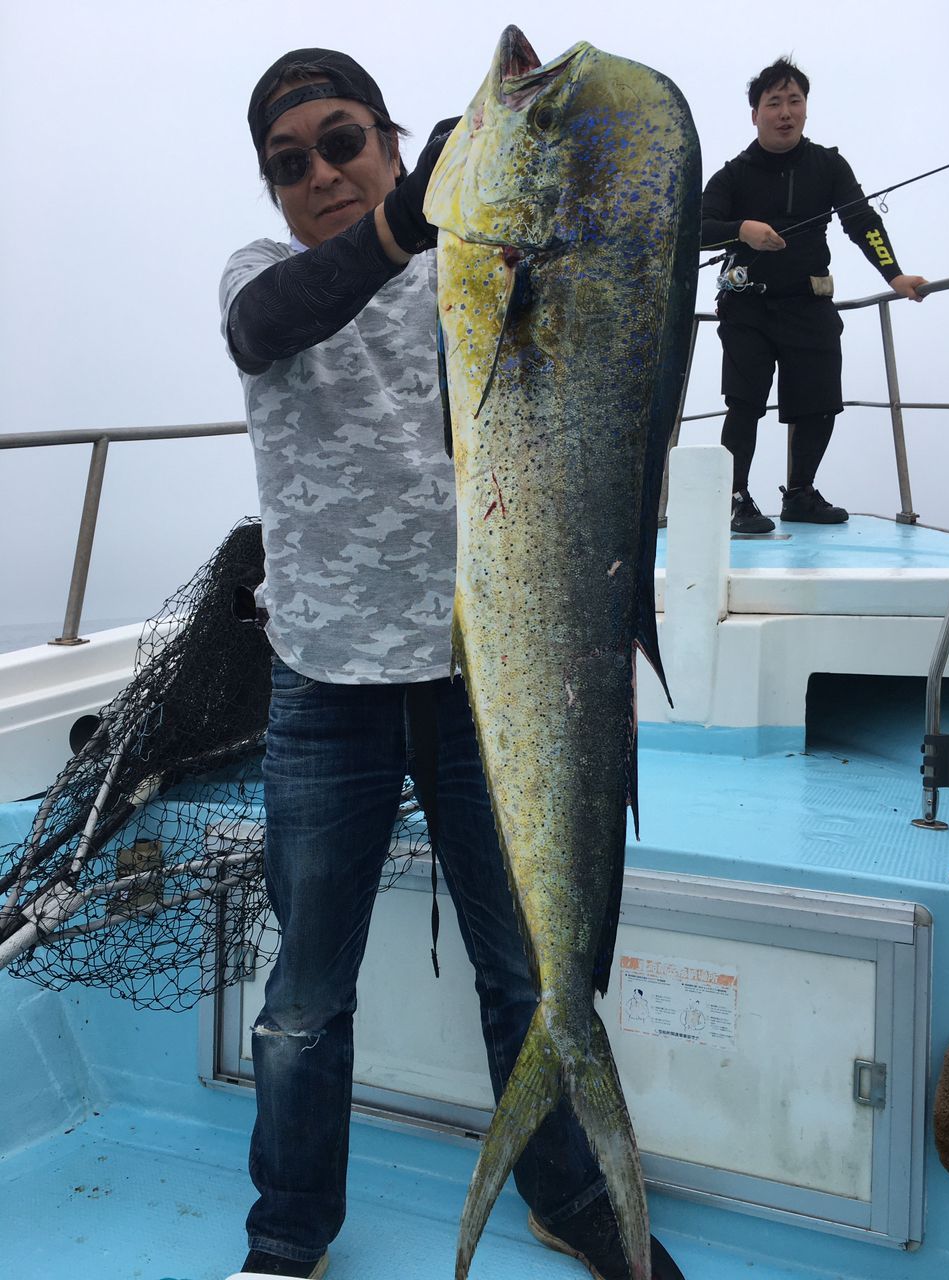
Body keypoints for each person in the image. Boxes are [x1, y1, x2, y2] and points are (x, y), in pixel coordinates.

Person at [219, 48, 686, 1280]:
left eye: (343, 141)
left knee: (533, 968)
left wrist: (501, 209)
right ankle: (286, 1233)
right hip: (325, 693)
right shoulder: (268, 275)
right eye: (289, 163)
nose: (319, 172)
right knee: (306, 996)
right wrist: (399, 216)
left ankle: (573, 1194)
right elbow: (262, 329)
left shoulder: (473, 266)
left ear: (387, 135)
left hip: (493, 685)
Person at [701, 57, 927, 535]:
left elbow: (861, 220)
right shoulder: (732, 175)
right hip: (747, 308)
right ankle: (736, 498)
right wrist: (741, 230)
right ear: (755, 113)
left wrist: (895, 276)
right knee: (744, 404)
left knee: (819, 402)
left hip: (810, 305)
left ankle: (800, 493)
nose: (785, 112)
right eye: (774, 103)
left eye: (794, 101)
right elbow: (694, 230)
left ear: (806, 108)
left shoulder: (828, 164)